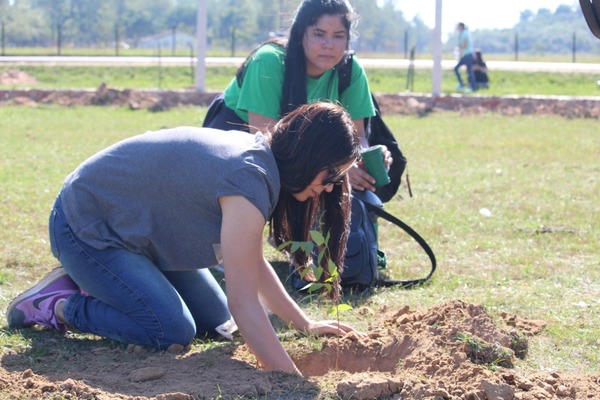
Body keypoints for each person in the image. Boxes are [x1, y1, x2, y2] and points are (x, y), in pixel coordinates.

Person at [7, 102, 363, 375]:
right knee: (170, 330)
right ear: (308, 155)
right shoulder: (250, 180)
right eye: (330, 173)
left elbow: (251, 262)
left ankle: (106, 282)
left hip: (136, 235)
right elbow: (245, 302)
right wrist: (288, 378)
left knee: (215, 318)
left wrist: (305, 324)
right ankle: (60, 304)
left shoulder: (262, 162)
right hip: (86, 226)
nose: (330, 187)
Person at [203, 0, 392, 193]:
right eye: (319, 34)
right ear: (300, 33)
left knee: (361, 200)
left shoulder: (351, 70)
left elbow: (358, 136)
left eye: (338, 36)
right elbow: (264, 142)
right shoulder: (268, 61)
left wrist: (363, 158)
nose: (329, 44)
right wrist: (335, 169)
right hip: (243, 151)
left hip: (304, 154)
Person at [453, 22, 477, 93]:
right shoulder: (465, 33)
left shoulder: (463, 34)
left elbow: (465, 45)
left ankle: (469, 87)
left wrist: (459, 49)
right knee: (468, 71)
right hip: (467, 55)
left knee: (468, 71)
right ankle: (465, 85)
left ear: (461, 27)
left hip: (467, 55)